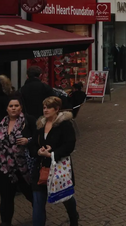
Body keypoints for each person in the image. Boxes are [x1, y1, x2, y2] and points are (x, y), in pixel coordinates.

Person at [33, 96, 79, 226]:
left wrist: (52, 153)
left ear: (56, 109)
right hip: (41, 168)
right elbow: (33, 144)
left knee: (65, 196)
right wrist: (39, 151)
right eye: (44, 107)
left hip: (58, 167)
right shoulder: (40, 125)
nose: (45, 110)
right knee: (38, 201)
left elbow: (69, 145)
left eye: (49, 108)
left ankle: (73, 217)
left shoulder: (65, 125)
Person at [0, 96, 36, 226]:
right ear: (7, 109)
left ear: (20, 107)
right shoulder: (2, 123)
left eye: (16, 106)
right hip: (6, 167)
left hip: (24, 166)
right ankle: (5, 222)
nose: (13, 108)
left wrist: (28, 140)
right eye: (11, 106)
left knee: (30, 194)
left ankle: (39, 216)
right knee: (6, 197)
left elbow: (38, 137)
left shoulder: (28, 120)